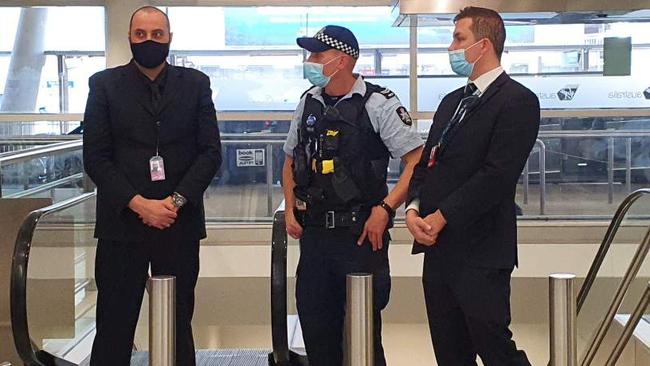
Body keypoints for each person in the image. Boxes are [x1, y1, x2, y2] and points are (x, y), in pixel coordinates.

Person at [82, 6, 222, 366]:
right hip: (121, 224)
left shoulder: (195, 84)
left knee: (177, 323)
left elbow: (210, 153)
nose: (149, 41)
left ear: (170, 38)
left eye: (157, 34)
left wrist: (173, 203)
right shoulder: (104, 85)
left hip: (179, 223)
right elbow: (96, 157)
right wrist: (138, 203)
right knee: (114, 325)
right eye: (141, 34)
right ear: (130, 37)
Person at [405, 7, 539, 366]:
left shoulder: (517, 101)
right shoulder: (452, 103)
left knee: (494, 345)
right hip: (437, 250)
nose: (451, 47)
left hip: (481, 251)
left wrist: (444, 215)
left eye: (459, 38)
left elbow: (497, 175)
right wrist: (413, 208)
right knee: (449, 351)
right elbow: (427, 163)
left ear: (484, 45)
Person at [282, 25, 423, 366]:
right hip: (315, 237)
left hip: (360, 237)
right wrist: (290, 209)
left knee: (362, 339)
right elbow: (289, 161)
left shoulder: (378, 103)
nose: (310, 61)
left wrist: (386, 209)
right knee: (316, 331)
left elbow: (416, 162)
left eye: (317, 55)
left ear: (341, 60)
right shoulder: (308, 102)